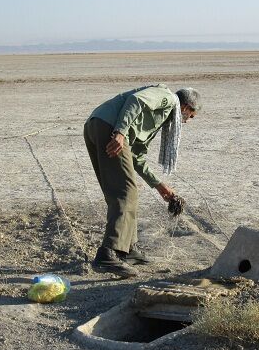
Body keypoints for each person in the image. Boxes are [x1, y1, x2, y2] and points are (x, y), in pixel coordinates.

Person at [84, 84, 201, 278]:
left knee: (123, 191)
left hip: (98, 125)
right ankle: (108, 253)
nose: (187, 121)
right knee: (125, 192)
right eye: (191, 116)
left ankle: (127, 249)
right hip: (109, 127)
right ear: (186, 107)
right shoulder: (168, 98)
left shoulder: (159, 116)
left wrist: (159, 185)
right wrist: (120, 132)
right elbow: (136, 100)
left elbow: (136, 156)